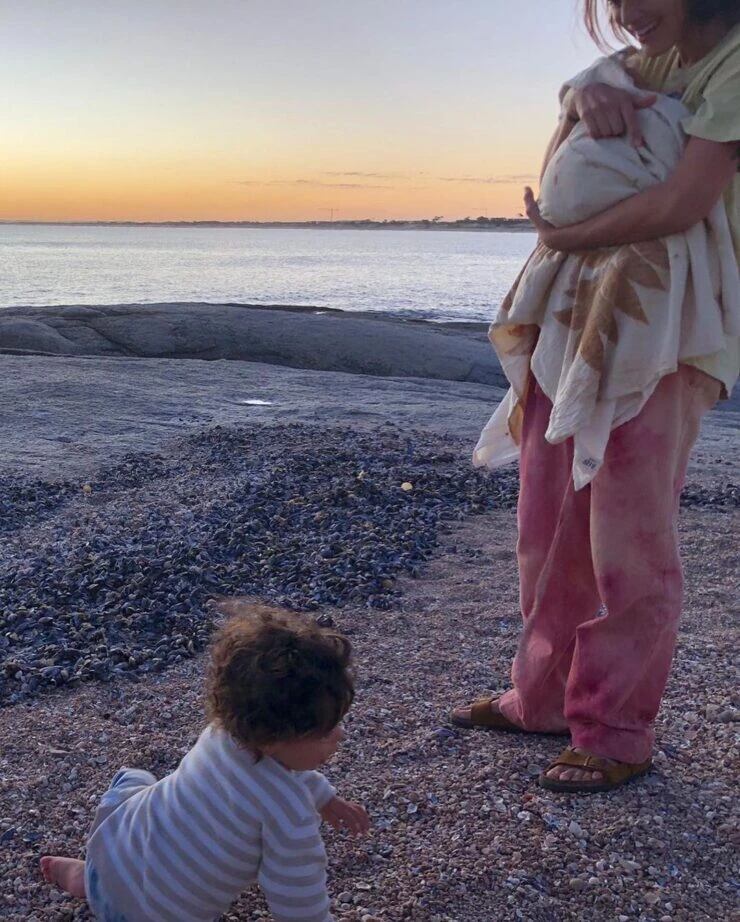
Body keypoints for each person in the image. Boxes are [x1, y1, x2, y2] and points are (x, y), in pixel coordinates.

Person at [452, 0, 739, 794]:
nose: (625, 14)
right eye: (612, 1)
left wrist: (563, 236)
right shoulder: (646, 64)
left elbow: (686, 200)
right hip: (579, 317)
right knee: (547, 516)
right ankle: (541, 697)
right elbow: (562, 154)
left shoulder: (734, 61)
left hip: (673, 328)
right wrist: (579, 94)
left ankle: (616, 728)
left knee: (627, 532)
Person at [40, 603, 369, 921]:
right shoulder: (290, 813)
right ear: (272, 739)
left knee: (134, 779)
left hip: (108, 866)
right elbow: (299, 902)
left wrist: (324, 796)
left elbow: (272, 776)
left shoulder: (222, 733)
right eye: (325, 731)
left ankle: (84, 878)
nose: (339, 736)